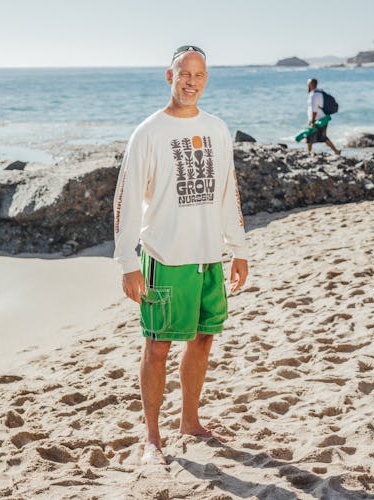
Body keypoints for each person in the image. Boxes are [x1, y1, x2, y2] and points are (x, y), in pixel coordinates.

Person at [112, 45, 249, 466]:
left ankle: (190, 420)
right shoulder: (149, 132)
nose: (192, 81)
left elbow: (228, 191)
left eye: (200, 75)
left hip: (209, 256)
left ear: (206, 79)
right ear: (168, 76)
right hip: (165, 257)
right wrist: (128, 262)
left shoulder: (218, 129)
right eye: (184, 73)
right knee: (157, 348)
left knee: (203, 339)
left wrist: (238, 248)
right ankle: (152, 437)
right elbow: (127, 199)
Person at [306, 78, 341, 155]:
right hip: (322, 118)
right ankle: (336, 151)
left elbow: (314, 110)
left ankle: (309, 152)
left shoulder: (314, 95)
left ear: (311, 84)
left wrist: (312, 122)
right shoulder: (319, 93)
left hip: (318, 119)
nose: (307, 86)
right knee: (321, 137)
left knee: (312, 136)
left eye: (308, 84)